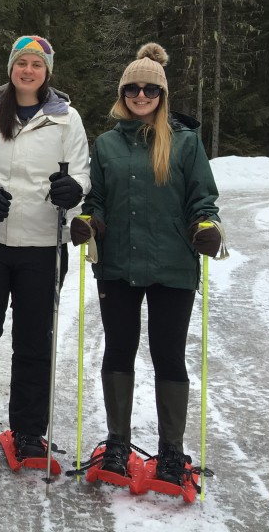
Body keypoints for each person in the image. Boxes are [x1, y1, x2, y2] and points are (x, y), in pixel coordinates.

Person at [71, 42, 226, 486]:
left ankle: (171, 453)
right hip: (118, 265)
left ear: (162, 94)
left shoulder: (186, 142)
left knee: (168, 355)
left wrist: (205, 226)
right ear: (122, 93)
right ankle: (117, 444)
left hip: (173, 267)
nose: (141, 96)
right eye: (133, 89)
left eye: (150, 90)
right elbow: (96, 199)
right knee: (118, 351)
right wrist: (88, 221)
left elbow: (203, 199)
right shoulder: (104, 144)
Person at [0, 35, 90, 462]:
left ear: (47, 72)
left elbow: (83, 174)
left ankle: (29, 431)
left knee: (33, 341)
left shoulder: (67, 119)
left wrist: (73, 190)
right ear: (11, 68)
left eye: (36, 64)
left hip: (44, 245)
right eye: (21, 63)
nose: (27, 70)